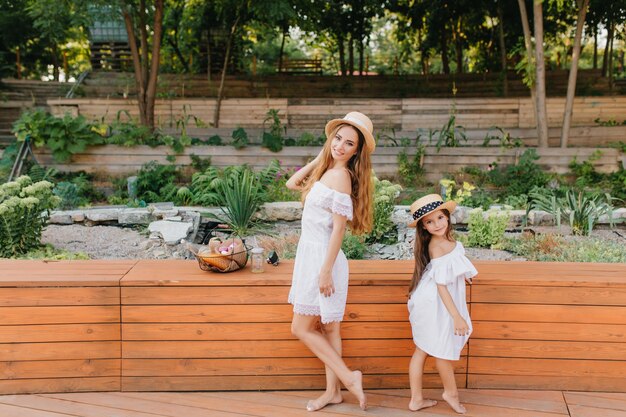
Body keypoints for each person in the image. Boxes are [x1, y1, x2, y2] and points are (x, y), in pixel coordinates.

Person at [286, 111, 375, 412]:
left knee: (300, 328)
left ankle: (349, 378)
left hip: (323, 259)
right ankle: (333, 393)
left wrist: (325, 272)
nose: (340, 146)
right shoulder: (329, 171)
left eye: (349, 143)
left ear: (356, 151)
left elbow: (338, 229)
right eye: (338, 138)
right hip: (316, 256)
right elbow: (292, 183)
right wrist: (322, 156)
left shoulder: (339, 177)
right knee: (329, 330)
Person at [405, 194, 477, 414]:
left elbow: (450, 267)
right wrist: (456, 316)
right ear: (423, 228)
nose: (436, 224)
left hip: (436, 299)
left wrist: (462, 274)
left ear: (447, 217)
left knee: (424, 349)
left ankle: (416, 399)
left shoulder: (448, 242)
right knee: (441, 350)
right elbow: (441, 285)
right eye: (429, 222)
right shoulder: (437, 247)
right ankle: (450, 393)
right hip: (435, 303)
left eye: (439, 218)